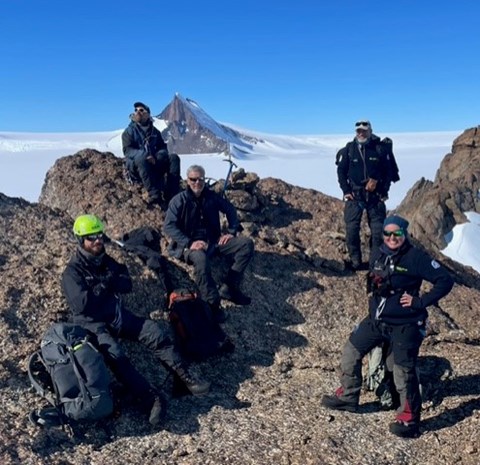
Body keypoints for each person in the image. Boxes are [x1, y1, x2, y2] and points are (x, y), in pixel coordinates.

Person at [61, 214, 210, 426]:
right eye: (90, 237)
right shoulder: (72, 272)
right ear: (80, 240)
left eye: (99, 235)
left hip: (117, 316)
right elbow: (82, 305)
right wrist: (105, 284)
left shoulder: (106, 260)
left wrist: (102, 285)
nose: (97, 241)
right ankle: (151, 399)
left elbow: (126, 283)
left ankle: (185, 377)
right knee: (116, 356)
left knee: (153, 331)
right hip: (93, 325)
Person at [321, 215, 453, 438]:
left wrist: (419, 302)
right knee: (351, 352)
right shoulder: (378, 252)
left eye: (397, 233)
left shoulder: (416, 258)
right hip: (377, 321)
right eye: (387, 233)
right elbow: (374, 277)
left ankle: (409, 419)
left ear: (405, 234)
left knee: (403, 371)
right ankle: (348, 396)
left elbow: (445, 280)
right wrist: (376, 287)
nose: (392, 238)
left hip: (406, 324)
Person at [163, 165, 254, 322]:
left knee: (246, 243)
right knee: (201, 260)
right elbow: (169, 226)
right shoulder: (179, 201)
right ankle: (212, 304)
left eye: (201, 179)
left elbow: (230, 210)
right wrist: (190, 243)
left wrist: (231, 232)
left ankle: (229, 287)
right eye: (193, 179)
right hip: (188, 246)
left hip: (213, 242)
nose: (197, 182)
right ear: (187, 180)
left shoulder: (211, 196)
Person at [336, 120, 397, 271]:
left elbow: (388, 172)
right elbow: (341, 172)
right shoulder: (349, 150)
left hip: (375, 197)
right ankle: (355, 262)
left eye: (364, 130)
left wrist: (383, 190)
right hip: (355, 196)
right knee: (351, 230)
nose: (361, 133)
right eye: (358, 131)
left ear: (370, 131)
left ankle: (374, 263)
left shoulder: (379, 149)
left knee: (377, 233)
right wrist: (346, 191)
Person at [122, 101, 181, 207]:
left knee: (174, 158)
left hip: (154, 163)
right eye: (136, 110)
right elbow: (128, 150)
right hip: (137, 166)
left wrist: (157, 157)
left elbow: (162, 148)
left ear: (148, 115)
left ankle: (171, 194)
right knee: (141, 158)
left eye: (141, 110)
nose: (138, 112)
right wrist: (145, 155)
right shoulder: (129, 132)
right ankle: (154, 194)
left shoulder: (155, 132)